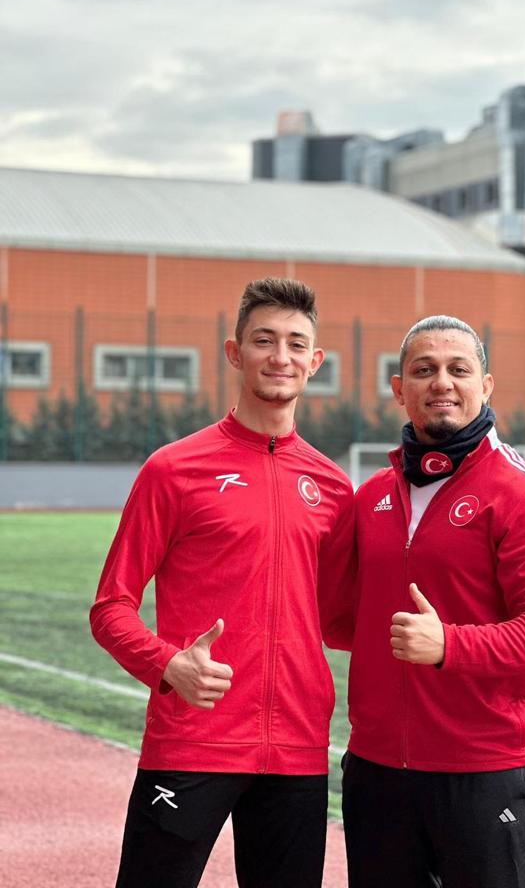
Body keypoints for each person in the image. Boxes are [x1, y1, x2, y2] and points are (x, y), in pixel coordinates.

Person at [90, 277, 354, 888]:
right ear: (235, 352)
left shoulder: (334, 487)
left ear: (315, 362)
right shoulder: (173, 470)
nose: (280, 356)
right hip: (193, 738)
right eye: (264, 340)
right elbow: (111, 607)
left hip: (297, 749)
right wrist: (167, 664)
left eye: (296, 344)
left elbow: (341, 621)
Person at [339, 315, 525, 888]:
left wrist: (449, 644)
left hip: (489, 767)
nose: (441, 382)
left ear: (486, 386)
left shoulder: (524, 492)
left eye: (458, 369)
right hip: (377, 769)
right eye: (424, 370)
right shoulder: (371, 497)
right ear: (400, 389)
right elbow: (341, 618)